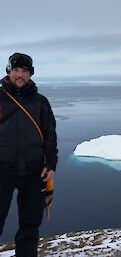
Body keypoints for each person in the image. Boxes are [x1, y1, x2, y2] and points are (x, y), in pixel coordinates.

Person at [0, 53, 58, 257]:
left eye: (24, 71)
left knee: (30, 225)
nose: (20, 75)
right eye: (16, 70)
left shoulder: (40, 102)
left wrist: (51, 164)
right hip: (2, 170)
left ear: (30, 74)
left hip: (34, 172)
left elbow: (50, 134)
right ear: (9, 71)